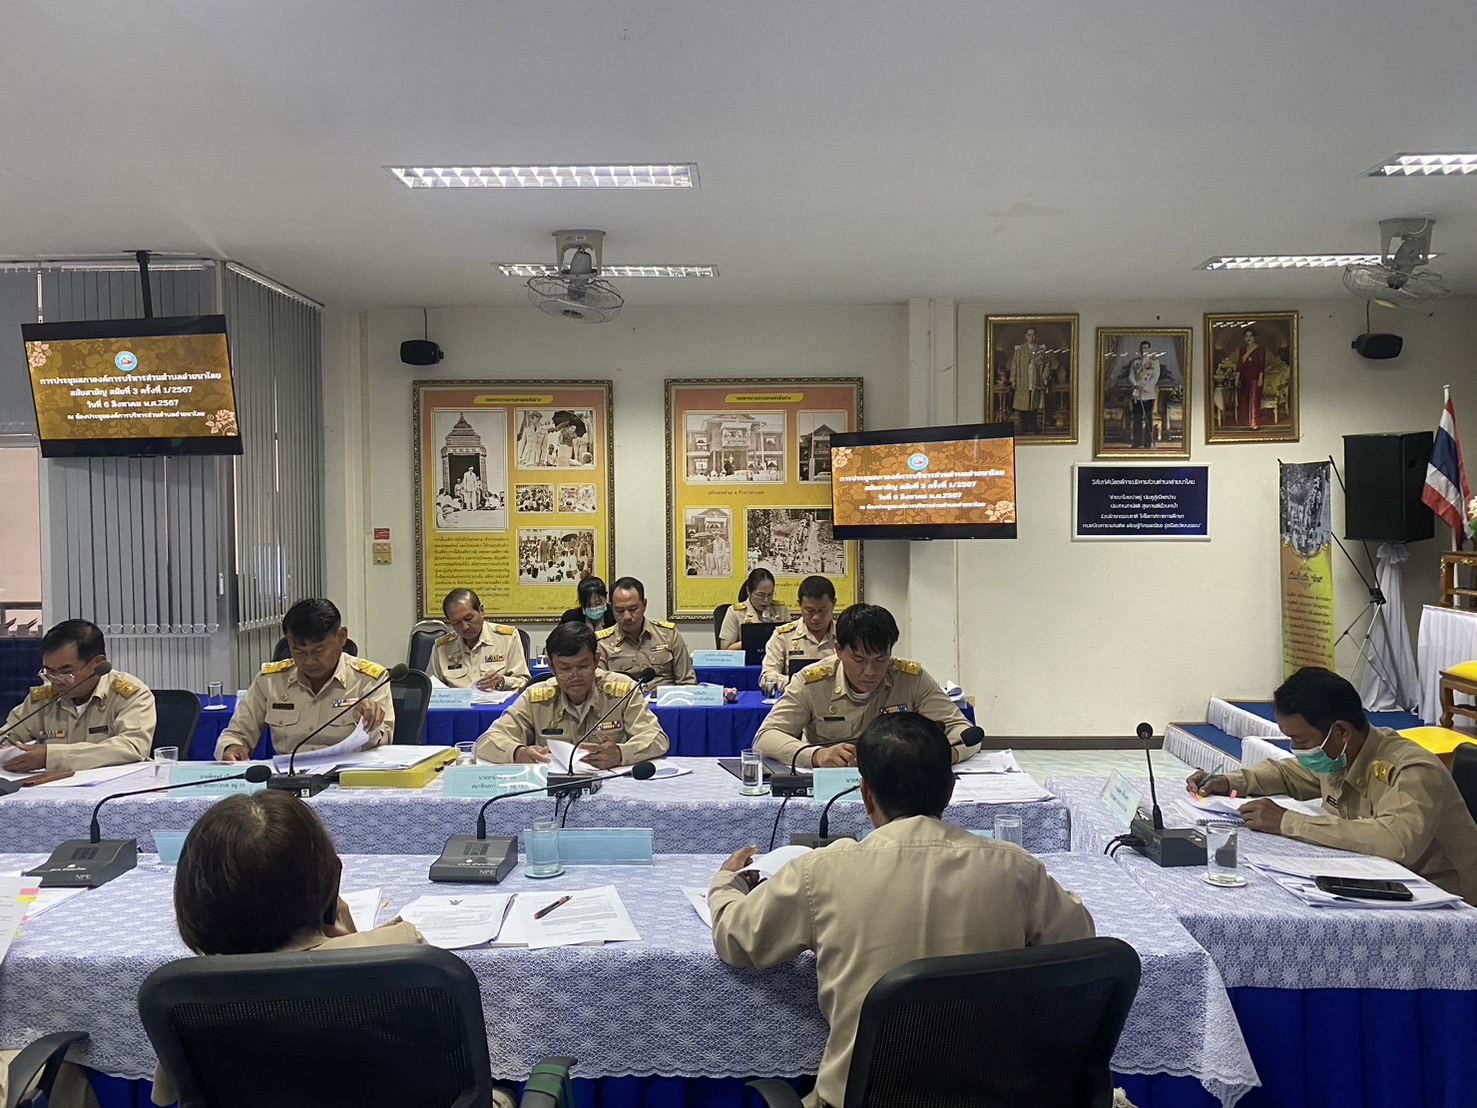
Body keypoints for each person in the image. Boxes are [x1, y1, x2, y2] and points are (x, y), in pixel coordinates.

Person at [709, 713, 1094, 1108]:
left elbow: (736, 939)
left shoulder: (820, 871)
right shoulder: (1016, 868)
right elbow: (1082, 942)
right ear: (949, 789)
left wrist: (726, 884)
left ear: (866, 794)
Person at [155, 790, 427, 1106]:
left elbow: (168, 1096)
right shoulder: (402, 952)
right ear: (331, 879)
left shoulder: (188, 995)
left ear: (194, 900)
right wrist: (351, 941)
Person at [1187, 667, 1477, 903]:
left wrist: (1288, 822)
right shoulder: (1339, 756)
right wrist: (1230, 781)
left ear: (1341, 731)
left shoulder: (1412, 770)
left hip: (1448, 903)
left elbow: (1395, 842)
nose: (1296, 749)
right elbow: (1287, 774)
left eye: (1301, 740)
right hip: (1382, 884)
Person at [753, 604, 983, 767]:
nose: (870, 671)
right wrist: (816, 755)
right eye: (859, 659)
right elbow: (765, 738)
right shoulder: (812, 682)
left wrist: (948, 754)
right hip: (833, 782)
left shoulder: (911, 679)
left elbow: (963, 731)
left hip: (896, 785)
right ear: (838, 650)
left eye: (881, 659)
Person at [217, 599, 394, 761]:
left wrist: (368, 724)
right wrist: (232, 747)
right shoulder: (270, 681)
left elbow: (384, 744)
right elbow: (236, 733)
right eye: (299, 651)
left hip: (348, 777)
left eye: (318, 651)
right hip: (289, 778)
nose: (309, 661)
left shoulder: (369, 680)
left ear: (341, 637)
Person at [474, 621, 669, 768]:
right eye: (565, 668)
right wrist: (518, 753)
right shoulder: (536, 698)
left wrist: (621, 753)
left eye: (583, 666)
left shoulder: (624, 691)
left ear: (596, 660)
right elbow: (486, 742)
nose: (575, 676)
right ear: (552, 667)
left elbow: (657, 738)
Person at [0, 618, 154, 772]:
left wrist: (51, 757)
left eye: (66, 672)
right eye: (50, 672)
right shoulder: (43, 700)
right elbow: (7, 738)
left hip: (117, 784)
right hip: (52, 785)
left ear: (98, 664)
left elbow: (133, 746)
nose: (57, 680)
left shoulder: (130, 695)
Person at [597, 576, 697, 687]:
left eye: (633, 609)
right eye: (620, 611)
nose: (627, 617)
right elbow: (600, 688)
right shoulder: (602, 643)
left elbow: (687, 683)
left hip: (665, 697)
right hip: (626, 697)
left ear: (644, 605)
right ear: (612, 608)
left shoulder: (668, 634)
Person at [429, 588, 530, 691]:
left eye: (469, 618)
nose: (465, 627)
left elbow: (524, 682)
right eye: (456, 623)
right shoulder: (442, 647)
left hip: (495, 700)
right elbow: (429, 687)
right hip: (458, 701)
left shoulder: (508, 638)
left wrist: (503, 681)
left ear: (481, 611)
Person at [759, 575, 838, 695]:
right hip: (795, 698)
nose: (816, 617)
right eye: (809, 610)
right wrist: (799, 682)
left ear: (833, 604)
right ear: (799, 604)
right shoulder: (783, 636)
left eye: (822, 610)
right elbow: (767, 677)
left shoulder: (845, 635)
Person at [718, 567, 790, 649]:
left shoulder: (781, 609)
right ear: (749, 591)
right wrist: (754, 639)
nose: (766, 600)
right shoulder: (735, 612)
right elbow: (726, 649)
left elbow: (790, 641)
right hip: (747, 656)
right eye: (761, 595)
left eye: (770, 594)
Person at [1008, 326, 1047, 434]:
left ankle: (1033, 427)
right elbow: (1014, 365)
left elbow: (1046, 365)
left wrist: (1044, 377)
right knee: (1024, 404)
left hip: (1035, 381)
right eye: (1029, 335)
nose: (1031, 337)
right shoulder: (1019, 350)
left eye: (1033, 334)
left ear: (1036, 336)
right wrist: (1013, 380)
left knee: (1034, 404)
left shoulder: (1040, 350)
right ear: (1026, 336)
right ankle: (1024, 427)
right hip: (1023, 381)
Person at [1128, 340, 1160, 449]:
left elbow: (1155, 378)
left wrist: (1145, 388)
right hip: (1137, 394)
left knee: (1148, 419)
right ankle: (1137, 441)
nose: (1143, 350)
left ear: (1149, 349)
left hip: (1148, 394)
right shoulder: (1135, 363)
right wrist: (1136, 385)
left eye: (1145, 348)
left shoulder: (1154, 362)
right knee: (1137, 419)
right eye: (1142, 348)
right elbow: (1131, 376)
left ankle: (1148, 442)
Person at [1234, 326, 1266, 431]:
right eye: (1246, 336)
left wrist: (1260, 379)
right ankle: (1246, 423)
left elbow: (1261, 365)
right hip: (1244, 377)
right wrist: (1237, 378)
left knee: (1254, 400)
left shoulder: (1260, 349)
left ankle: (1254, 423)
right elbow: (1239, 364)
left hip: (1255, 378)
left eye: (1250, 336)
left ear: (1254, 337)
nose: (1248, 338)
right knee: (1245, 400)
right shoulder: (1242, 349)